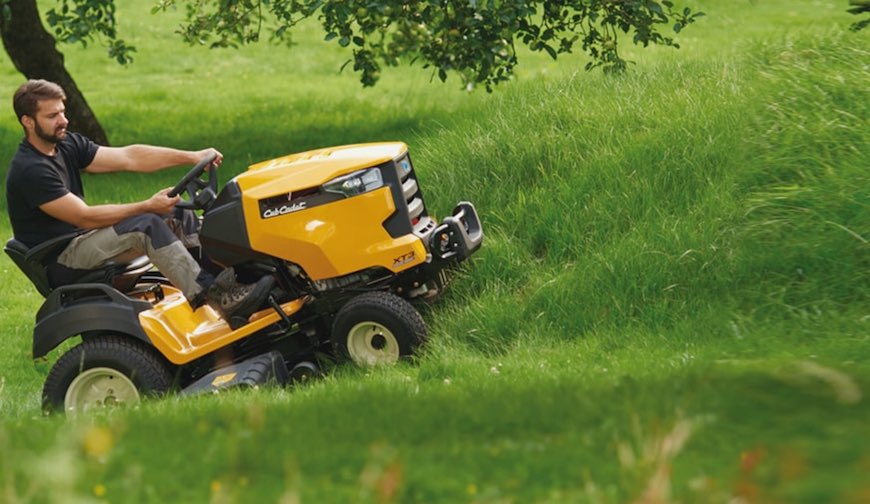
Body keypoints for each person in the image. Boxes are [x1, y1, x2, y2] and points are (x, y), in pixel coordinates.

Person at [5, 79, 273, 322]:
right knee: (146, 224)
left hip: (84, 240)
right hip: (63, 257)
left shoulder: (64, 144)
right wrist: (147, 205)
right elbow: (83, 216)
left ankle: (236, 282)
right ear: (28, 121)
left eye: (63, 111)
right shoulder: (31, 169)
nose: (63, 120)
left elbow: (129, 157)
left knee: (177, 211)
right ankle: (217, 298)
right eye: (52, 116)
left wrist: (192, 156)